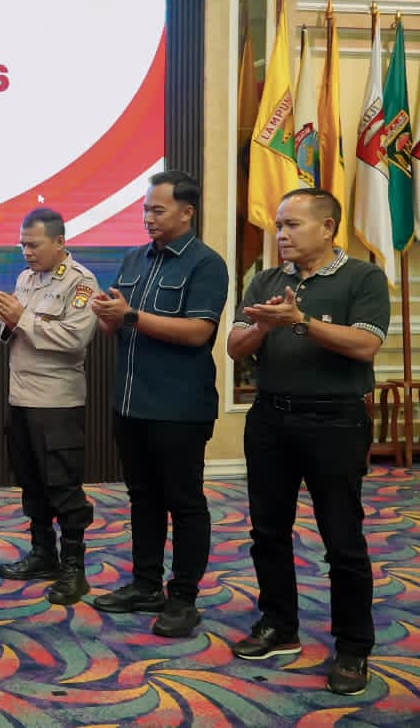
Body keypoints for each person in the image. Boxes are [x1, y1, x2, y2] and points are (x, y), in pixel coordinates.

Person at [226, 188, 387, 697]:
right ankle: (279, 626)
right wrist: (263, 324)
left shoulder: (363, 277)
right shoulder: (266, 279)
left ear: (328, 227)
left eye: (293, 224)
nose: (281, 234)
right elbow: (234, 347)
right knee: (267, 531)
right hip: (270, 419)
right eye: (278, 225)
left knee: (342, 539)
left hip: (335, 422)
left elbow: (366, 345)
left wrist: (301, 322)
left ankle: (353, 646)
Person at [89, 169, 228, 638]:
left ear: (186, 213)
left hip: (179, 408)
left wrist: (130, 315)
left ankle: (183, 597)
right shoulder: (134, 258)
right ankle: (145, 584)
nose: (147, 217)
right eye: (145, 209)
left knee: (184, 503)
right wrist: (108, 316)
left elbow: (198, 332)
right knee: (143, 499)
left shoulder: (206, 264)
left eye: (157, 209)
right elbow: (116, 326)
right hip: (131, 404)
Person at [0, 208, 98, 606]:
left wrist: (22, 317)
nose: (26, 252)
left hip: (56, 401)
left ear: (60, 242)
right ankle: (43, 554)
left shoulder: (81, 282)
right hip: (21, 397)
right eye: (22, 244)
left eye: (33, 245)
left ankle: (74, 569)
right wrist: (8, 319)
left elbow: (74, 338)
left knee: (62, 486)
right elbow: (16, 329)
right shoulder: (25, 278)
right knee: (31, 481)